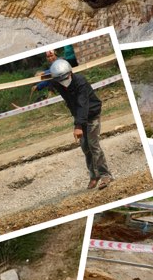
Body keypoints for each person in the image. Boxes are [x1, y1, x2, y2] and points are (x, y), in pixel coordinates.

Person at [47, 58, 113, 190]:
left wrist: (78, 126)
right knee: (85, 147)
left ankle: (106, 175)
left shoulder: (80, 82)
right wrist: (40, 84)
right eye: (60, 80)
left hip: (92, 114)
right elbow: (49, 81)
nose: (64, 82)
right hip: (79, 117)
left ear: (71, 73)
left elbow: (83, 104)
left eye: (65, 77)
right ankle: (94, 176)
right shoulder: (58, 83)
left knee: (93, 145)